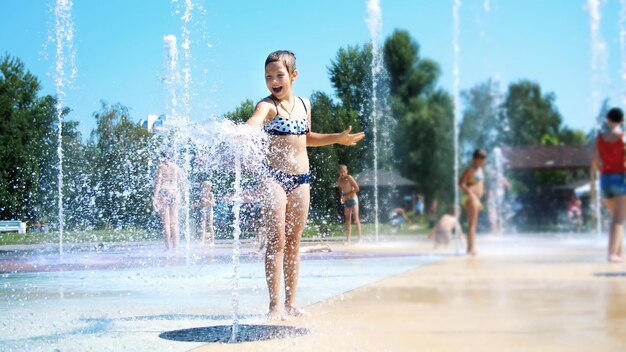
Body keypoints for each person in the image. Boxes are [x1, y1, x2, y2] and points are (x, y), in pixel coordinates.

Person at [244, 50, 365, 319]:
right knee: (276, 241)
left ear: (293, 75)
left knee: (294, 242)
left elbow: (307, 137)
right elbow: (254, 121)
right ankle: (274, 306)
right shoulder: (267, 106)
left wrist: (337, 138)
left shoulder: (305, 104)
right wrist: (246, 130)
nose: (273, 81)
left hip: (302, 180)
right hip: (273, 178)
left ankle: (291, 303)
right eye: (268, 76)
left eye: (279, 75)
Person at [593, 107, 626, 263]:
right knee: (619, 220)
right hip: (621, 179)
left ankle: (620, 253)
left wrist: (603, 172)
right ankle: (612, 254)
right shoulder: (623, 137)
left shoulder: (599, 138)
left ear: (608, 120)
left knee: (616, 219)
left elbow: (595, 162)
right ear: (622, 121)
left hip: (605, 180)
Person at [153, 151, 185, 251]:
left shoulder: (161, 167)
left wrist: (155, 197)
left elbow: (158, 183)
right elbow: (181, 183)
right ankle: (176, 247)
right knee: (174, 223)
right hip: (175, 192)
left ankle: (167, 248)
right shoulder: (176, 167)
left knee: (166, 223)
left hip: (164, 191)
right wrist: (184, 196)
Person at [458, 148, 487, 256]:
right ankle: (471, 249)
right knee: (472, 223)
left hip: (476, 198)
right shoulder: (470, 169)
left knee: (474, 223)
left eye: (484, 158)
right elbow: (460, 182)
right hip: (471, 197)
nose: (482, 160)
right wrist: (470, 193)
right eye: (480, 158)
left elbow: (480, 184)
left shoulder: (480, 169)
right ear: (474, 158)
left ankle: (470, 248)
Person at [337, 164, 362, 243]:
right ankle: (348, 240)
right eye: (341, 172)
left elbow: (357, 188)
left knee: (356, 219)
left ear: (346, 171)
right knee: (347, 221)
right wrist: (342, 197)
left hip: (353, 199)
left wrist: (346, 196)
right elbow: (341, 190)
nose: (343, 173)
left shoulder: (349, 178)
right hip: (346, 201)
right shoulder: (339, 180)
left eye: (344, 171)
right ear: (339, 172)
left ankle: (360, 239)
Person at [197, 181, 216, 246]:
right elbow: (200, 204)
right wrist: (197, 205)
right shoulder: (201, 194)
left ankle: (212, 241)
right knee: (203, 226)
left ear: (209, 187)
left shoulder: (210, 194)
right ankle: (202, 241)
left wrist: (207, 201)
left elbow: (213, 203)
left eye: (206, 187)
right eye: (203, 186)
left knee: (210, 225)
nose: (204, 188)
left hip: (209, 209)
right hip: (203, 209)